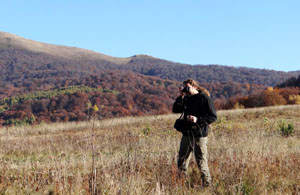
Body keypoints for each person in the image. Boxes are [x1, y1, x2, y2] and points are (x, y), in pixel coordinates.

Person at [172, 79, 217, 187]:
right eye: (184, 87)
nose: (186, 89)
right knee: (182, 160)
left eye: (187, 87)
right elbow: (175, 109)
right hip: (187, 133)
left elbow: (213, 117)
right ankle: (182, 184)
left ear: (195, 87)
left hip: (199, 135)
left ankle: (207, 185)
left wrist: (197, 120)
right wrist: (180, 96)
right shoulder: (187, 98)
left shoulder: (204, 98)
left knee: (201, 162)